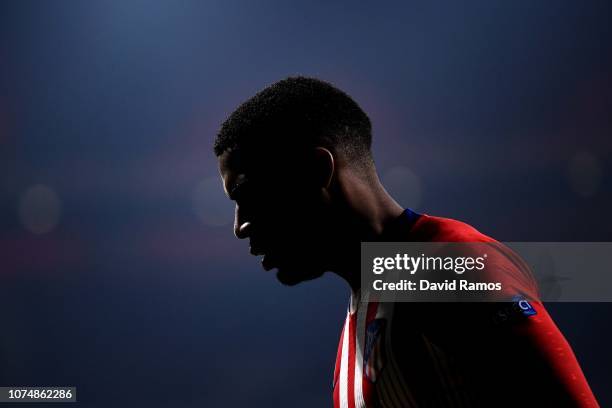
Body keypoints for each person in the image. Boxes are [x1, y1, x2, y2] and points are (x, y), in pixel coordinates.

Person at [214, 76, 598, 407]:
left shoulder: (442, 267)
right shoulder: (368, 301)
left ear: (318, 171)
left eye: (248, 196)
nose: (240, 227)